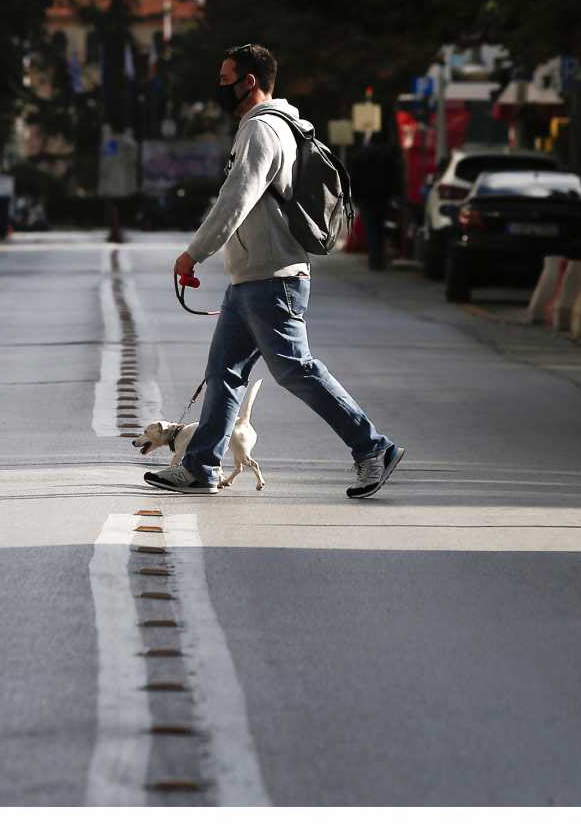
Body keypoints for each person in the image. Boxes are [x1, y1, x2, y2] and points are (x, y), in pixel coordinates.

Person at [149, 43, 406, 498]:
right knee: (224, 371)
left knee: (294, 369)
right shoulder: (272, 127)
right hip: (252, 276)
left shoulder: (262, 131)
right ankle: (200, 466)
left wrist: (195, 253)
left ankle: (373, 448)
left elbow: (237, 197)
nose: (219, 89)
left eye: (225, 80)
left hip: (274, 276)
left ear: (249, 82)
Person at [347, 130, 402, 271]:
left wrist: (355, 197)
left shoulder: (361, 155)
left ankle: (374, 260)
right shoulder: (388, 156)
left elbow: (353, 178)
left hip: (366, 198)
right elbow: (395, 177)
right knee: (382, 229)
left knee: (371, 229)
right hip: (384, 198)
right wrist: (394, 195)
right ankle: (380, 259)